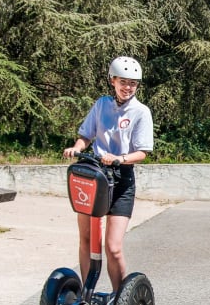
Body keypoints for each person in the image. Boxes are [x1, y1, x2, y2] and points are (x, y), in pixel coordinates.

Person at [63, 56, 154, 291]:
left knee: (112, 246)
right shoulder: (102, 104)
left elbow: (142, 152)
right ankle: (86, 294)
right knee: (86, 239)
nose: (127, 87)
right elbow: (86, 135)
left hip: (122, 180)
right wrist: (77, 147)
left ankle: (119, 297)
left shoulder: (141, 112)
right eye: (123, 82)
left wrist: (119, 158)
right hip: (94, 177)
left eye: (133, 83)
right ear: (112, 81)